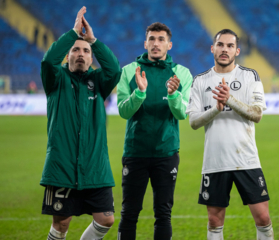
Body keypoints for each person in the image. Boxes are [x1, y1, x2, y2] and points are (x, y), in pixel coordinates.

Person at [40, 7, 121, 240]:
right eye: (76, 50)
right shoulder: (56, 80)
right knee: (61, 224)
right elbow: (48, 62)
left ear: (91, 57)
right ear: (68, 55)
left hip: (95, 168)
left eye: (86, 51)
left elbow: (114, 69)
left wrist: (93, 40)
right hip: (61, 168)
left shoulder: (98, 81)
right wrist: (72, 34)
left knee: (106, 219)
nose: (81, 54)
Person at [186, 29, 274, 240]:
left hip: (247, 159)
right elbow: (193, 122)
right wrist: (216, 108)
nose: (224, 49)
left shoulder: (249, 75)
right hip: (215, 161)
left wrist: (230, 100)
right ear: (212, 48)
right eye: (220, 45)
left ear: (237, 50)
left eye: (230, 46)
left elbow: (257, 114)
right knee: (214, 221)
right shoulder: (200, 80)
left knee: (262, 218)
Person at [116, 22, 193, 240]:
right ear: (145, 43)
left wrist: (173, 94)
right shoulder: (130, 71)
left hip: (166, 153)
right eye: (152, 39)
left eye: (161, 40)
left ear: (169, 45)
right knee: (129, 212)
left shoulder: (182, 73)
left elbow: (181, 114)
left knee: (163, 213)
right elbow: (123, 111)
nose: (156, 43)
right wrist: (140, 93)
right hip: (135, 152)